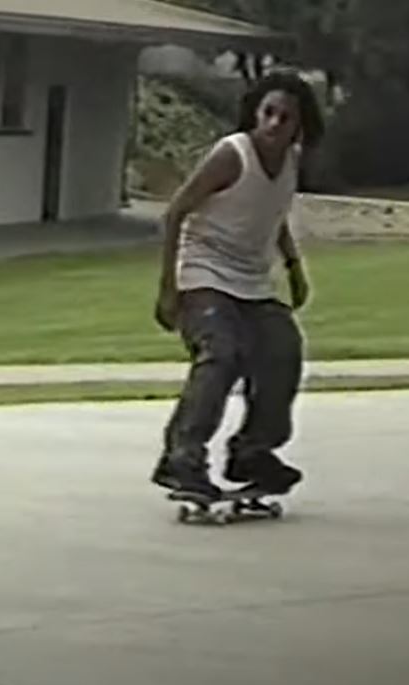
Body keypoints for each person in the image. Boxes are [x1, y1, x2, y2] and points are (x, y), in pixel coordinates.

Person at [150, 70, 325, 500]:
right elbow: (175, 213)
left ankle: (252, 452)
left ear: (299, 125)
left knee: (283, 350)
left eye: (285, 118)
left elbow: (273, 211)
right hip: (203, 272)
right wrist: (169, 288)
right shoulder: (232, 155)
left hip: (252, 280)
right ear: (255, 113)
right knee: (222, 353)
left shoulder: (290, 161)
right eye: (268, 113)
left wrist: (294, 267)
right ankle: (182, 457)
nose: (273, 125)